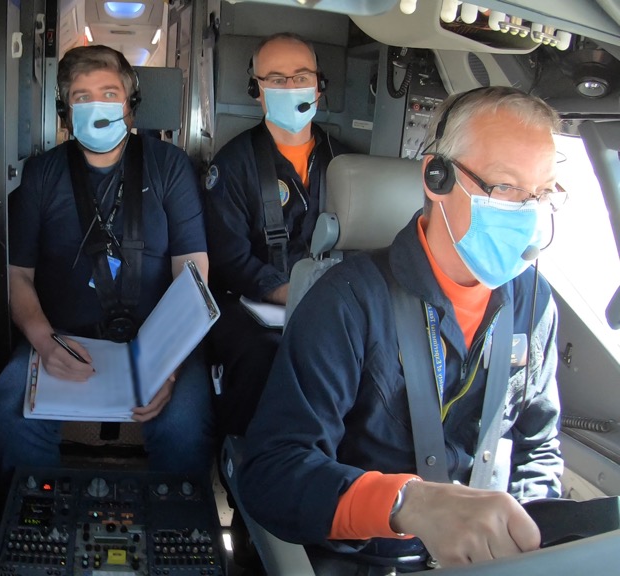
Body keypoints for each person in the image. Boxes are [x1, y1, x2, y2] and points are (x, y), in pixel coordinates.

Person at [239, 86, 565, 572]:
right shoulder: (347, 301)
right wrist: (405, 504)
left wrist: (529, 541)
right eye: (505, 187)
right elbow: (273, 474)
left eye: (543, 193)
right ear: (437, 177)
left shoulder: (535, 305)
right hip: (369, 557)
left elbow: (539, 448)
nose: (530, 212)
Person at [0, 45, 213, 478]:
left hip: (159, 343)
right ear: (65, 111)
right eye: (82, 96)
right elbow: (17, 276)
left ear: (131, 105)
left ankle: (171, 515)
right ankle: (40, 513)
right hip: (63, 336)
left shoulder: (170, 167)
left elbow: (192, 273)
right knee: (11, 413)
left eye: (109, 94)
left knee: (184, 427)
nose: (97, 106)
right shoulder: (40, 174)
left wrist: (169, 366)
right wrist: (45, 342)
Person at [203, 32, 349, 439]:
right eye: (277, 79)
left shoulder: (346, 163)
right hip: (250, 305)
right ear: (257, 90)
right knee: (263, 356)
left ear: (319, 86)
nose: (291, 87)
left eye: (301, 77)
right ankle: (246, 459)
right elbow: (229, 260)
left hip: (331, 302)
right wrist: (287, 292)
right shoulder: (231, 166)